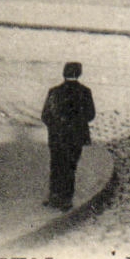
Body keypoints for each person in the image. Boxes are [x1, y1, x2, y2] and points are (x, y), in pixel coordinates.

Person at [41, 61, 96, 211]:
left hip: (57, 136)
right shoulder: (85, 92)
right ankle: (66, 199)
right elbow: (91, 114)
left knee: (56, 165)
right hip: (75, 137)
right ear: (79, 74)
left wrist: (56, 127)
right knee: (70, 167)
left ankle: (54, 197)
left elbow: (45, 116)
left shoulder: (54, 91)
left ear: (63, 73)